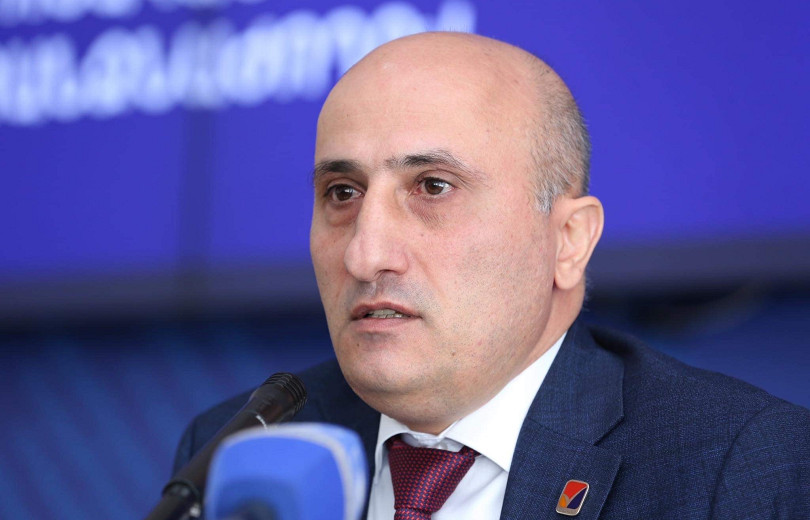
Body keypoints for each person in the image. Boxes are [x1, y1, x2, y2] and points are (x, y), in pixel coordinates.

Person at [173, 32, 810, 519]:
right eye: (342, 193)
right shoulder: (240, 449)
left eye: (432, 187)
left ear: (568, 241)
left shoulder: (737, 467)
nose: (364, 256)